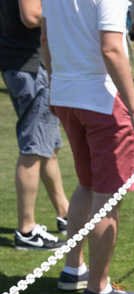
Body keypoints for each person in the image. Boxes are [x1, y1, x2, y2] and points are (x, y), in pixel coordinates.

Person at [41, 0, 134, 294]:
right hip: (101, 98)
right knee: (107, 195)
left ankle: (73, 268)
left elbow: (45, 39)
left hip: (67, 93)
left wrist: (54, 85)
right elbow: (111, 48)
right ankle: (98, 288)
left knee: (87, 185)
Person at [1, 0, 70, 251]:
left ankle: (65, 212)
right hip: (29, 65)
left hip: (22, 64)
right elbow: (31, 16)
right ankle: (27, 230)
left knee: (48, 145)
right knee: (34, 148)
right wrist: (67, 15)